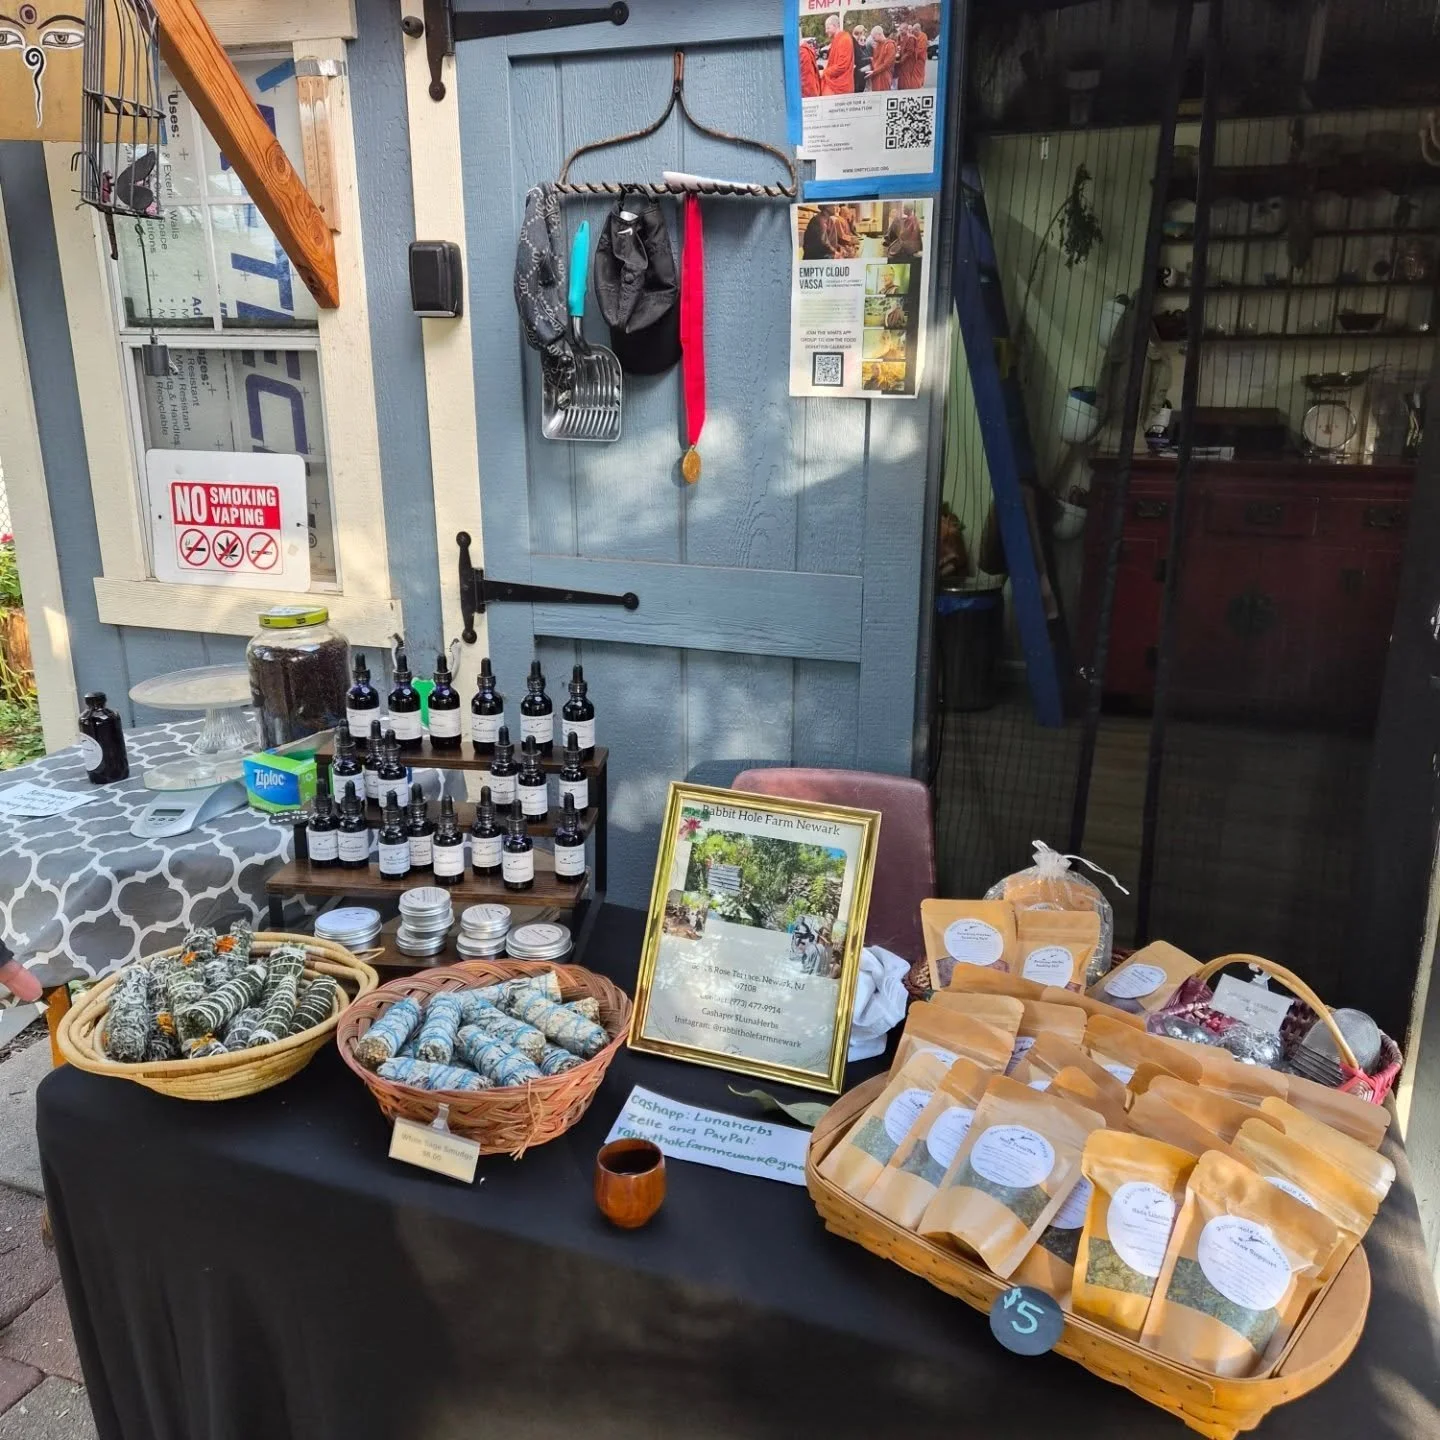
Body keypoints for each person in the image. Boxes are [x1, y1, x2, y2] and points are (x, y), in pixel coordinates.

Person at [819, 14, 854, 94]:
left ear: (835, 26)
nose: (826, 31)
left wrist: (824, 72)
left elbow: (842, 66)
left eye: (828, 28)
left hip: (840, 85)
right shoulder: (837, 39)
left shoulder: (844, 39)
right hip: (835, 82)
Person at [897, 23, 928, 89]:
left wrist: (903, 59)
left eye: (913, 30)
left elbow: (918, 49)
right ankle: (913, 86)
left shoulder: (922, 36)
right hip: (913, 59)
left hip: (919, 59)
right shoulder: (909, 37)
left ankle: (917, 87)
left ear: (917, 30)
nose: (912, 32)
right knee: (911, 76)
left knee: (916, 75)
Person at [867, 24, 896, 92]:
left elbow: (886, 64)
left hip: (884, 77)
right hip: (875, 76)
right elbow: (875, 59)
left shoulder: (890, 45)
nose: (873, 40)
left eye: (874, 37)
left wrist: (874, 72)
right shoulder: (877, 44)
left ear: (879, 34)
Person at [851, 24, 872, 90]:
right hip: (856, 74)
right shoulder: (854, 43)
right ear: (860, 32)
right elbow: (858, 61)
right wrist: (870, 60)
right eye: (863, 33)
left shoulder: (854, 42)